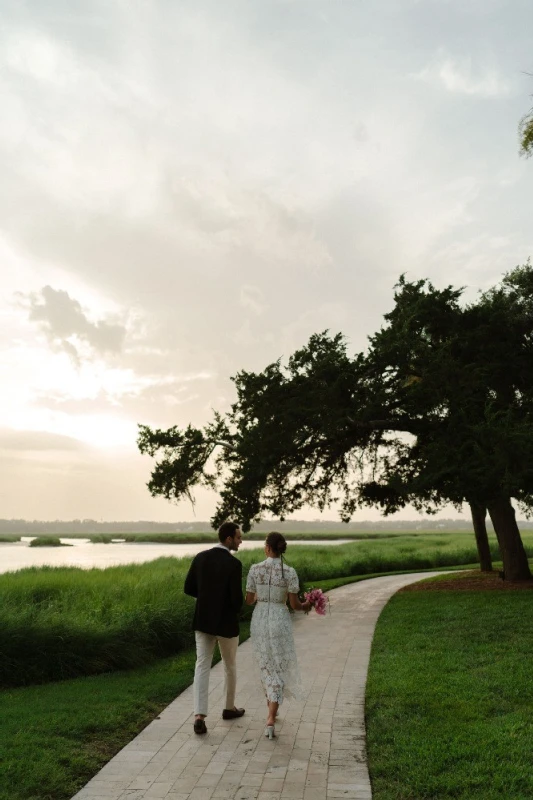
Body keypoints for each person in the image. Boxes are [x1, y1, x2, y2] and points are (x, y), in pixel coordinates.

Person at [245, 532, 311, 739]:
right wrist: (308, 604)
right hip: (279, 618)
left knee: (265, 663)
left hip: (260, 618)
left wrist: (259, 596)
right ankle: (271, 716)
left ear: (267, 548)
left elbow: (248, 600)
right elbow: (295, 605)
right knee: (279, 665)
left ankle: (271, 710)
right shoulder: (290, 572)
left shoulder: (255, 569)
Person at [184, 521, 246, 735]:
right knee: (230, 666)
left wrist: (206, 600)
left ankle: (199, 715)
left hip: (203, 621)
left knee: (202, 665)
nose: (240, 541)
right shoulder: (233, 564)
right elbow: (237, 600)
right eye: (238, 537)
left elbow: (188, 587)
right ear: (228, 538)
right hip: (226, 623)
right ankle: (229, 708)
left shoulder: (200, 557)